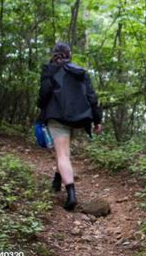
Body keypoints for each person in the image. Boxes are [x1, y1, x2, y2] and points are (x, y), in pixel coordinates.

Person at [37, 42, 102, 210]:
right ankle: (57, 180)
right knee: (64, 152)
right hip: (77, 118)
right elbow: (91, 97)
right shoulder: (80, 72)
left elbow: (43, 96)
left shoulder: (50, 70)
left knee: (62, 155)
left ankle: (71, 194)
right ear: (69, 54)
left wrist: (41, 107)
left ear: (54, 54)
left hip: (57, 117)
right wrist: (97, 120)